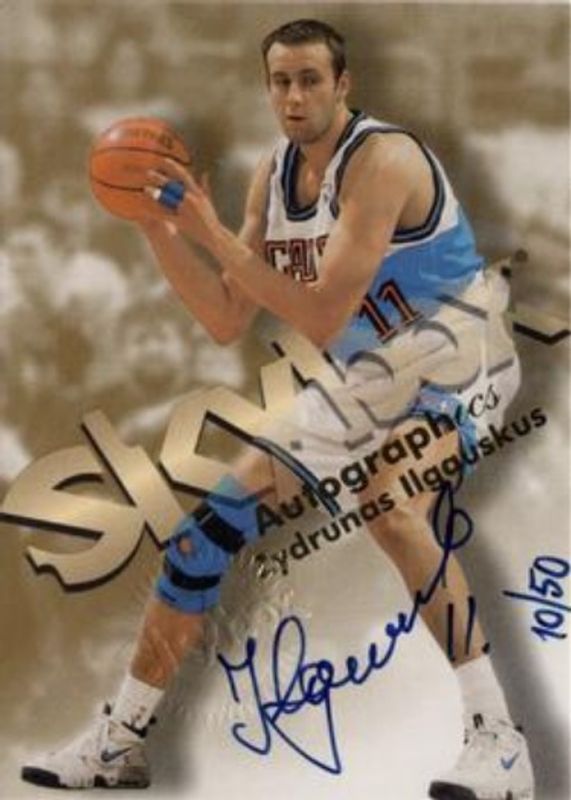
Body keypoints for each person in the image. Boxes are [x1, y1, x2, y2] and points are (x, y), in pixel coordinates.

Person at [21, 19, 534, 800]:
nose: (293, 96)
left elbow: (321, 314)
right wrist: (160, 229)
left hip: (458, 357)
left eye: (309, 80)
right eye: (280, 82)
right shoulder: (273, 174)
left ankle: (499, 741)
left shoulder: (383, 160)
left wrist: (209, 230)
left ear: (342, 85)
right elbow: (227, 316)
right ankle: (119, 742)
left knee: (390, 504)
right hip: (365, 375)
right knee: (202, 534)